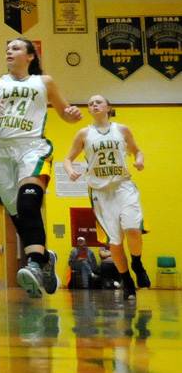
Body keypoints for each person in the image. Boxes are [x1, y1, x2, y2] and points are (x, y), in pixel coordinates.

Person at [0, 38, 83, 298]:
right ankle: (44, 259)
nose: (9, 51)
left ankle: (32, 263)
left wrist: (71, 114)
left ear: (31, 56)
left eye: (16, 48)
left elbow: (64, 112)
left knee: (29, 204)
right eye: (7, 49)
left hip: (32, 147)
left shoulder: (43, 82)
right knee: (18, 214)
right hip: (0, 150)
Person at [63, 95, 150, 300]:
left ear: (108, 107)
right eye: (91, 103)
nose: (94, 105)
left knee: (132, 229)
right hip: (100, 192)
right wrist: (70, 171)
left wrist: (139, 160)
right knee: (115, 242)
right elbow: (68, 158)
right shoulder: (84, 133)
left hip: (123, 185)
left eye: (98, 102)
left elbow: (137, 151)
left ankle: (136, 263)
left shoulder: (122, 129)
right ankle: (127, 281)